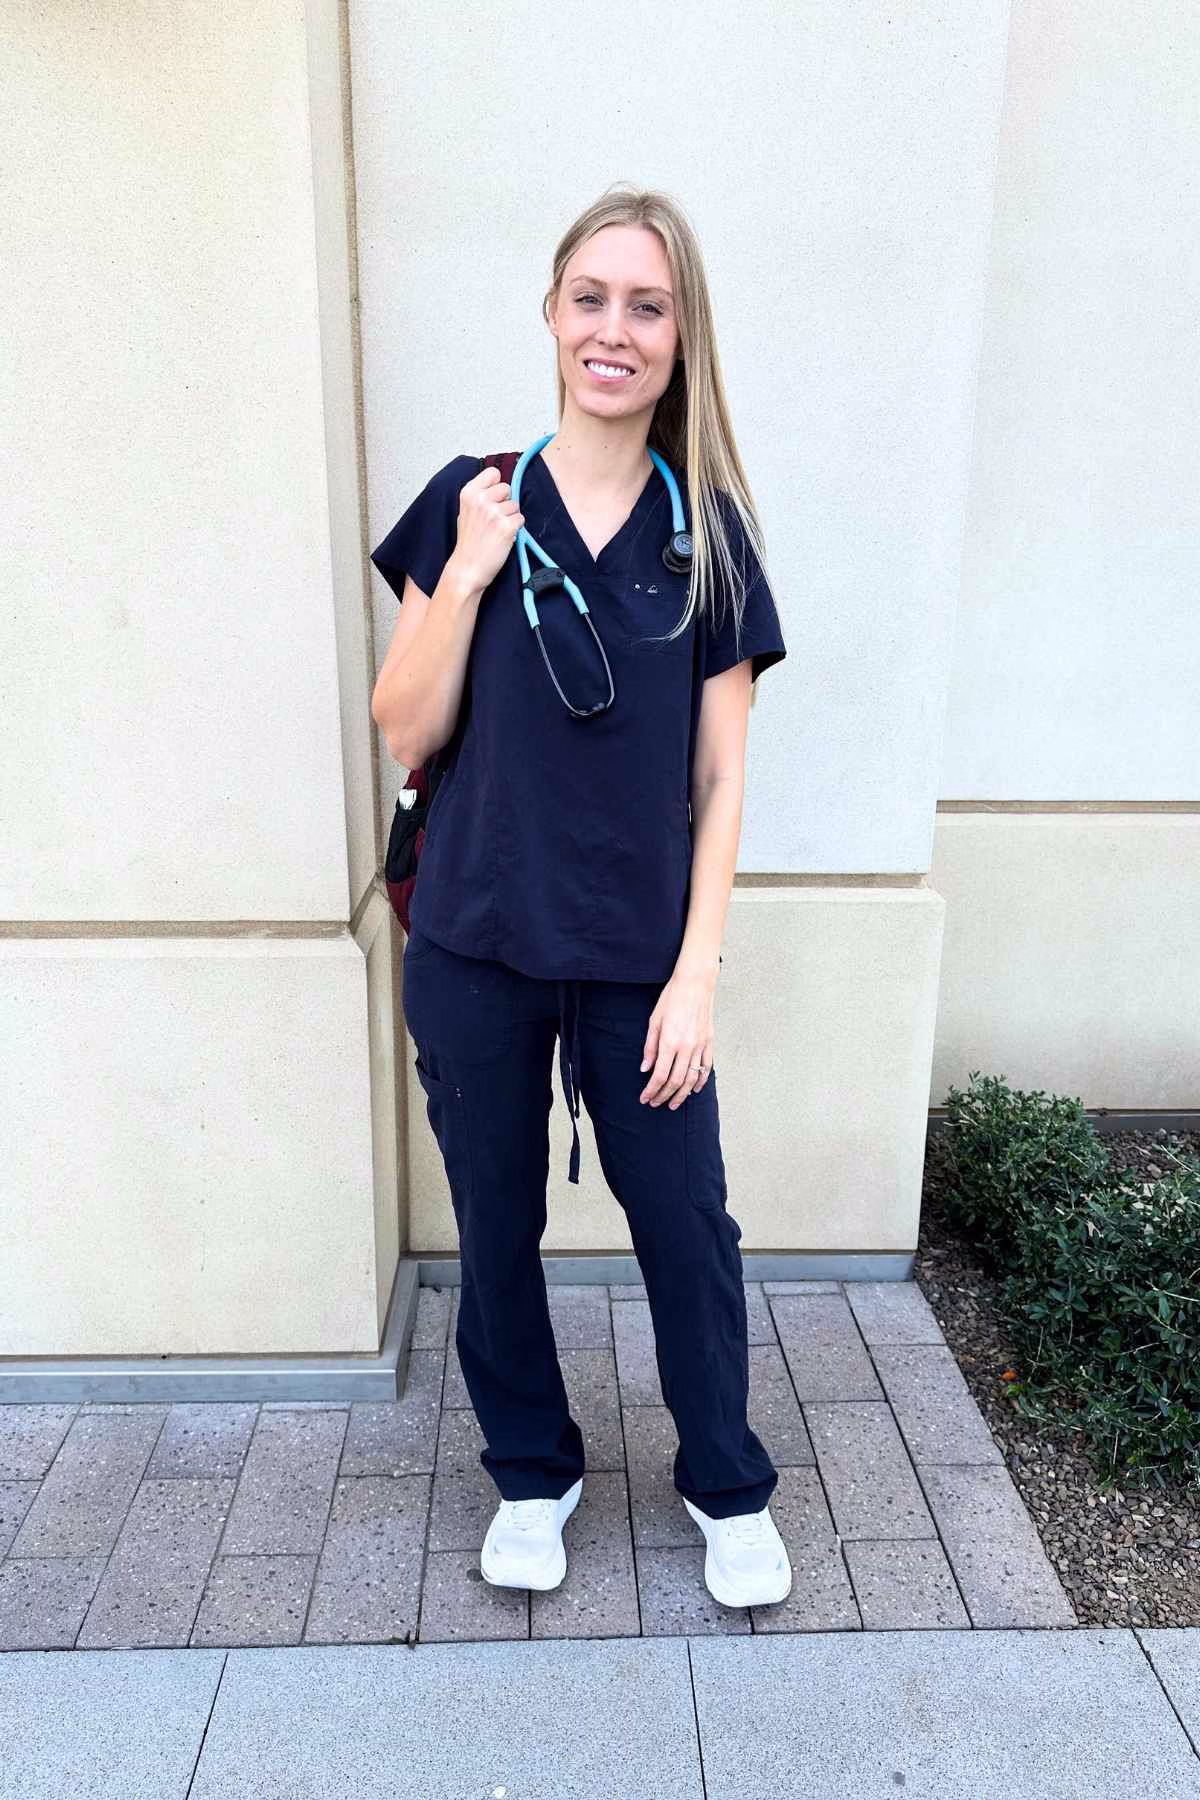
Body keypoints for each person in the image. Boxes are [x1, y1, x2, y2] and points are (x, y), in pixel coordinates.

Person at [369, 185, 792, 1611]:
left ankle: (723, 1481)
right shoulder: (471, 500)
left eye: (648, 306)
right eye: (593, 299)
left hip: (636, 962)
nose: (617, 329)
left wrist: (698, 975)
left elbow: (723, 782)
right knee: (495, 1225)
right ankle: (532, 1473)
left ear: (681, 339)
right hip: (478, 945)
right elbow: (403, 724)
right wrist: (468, 576)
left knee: (688, 1226)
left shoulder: (709, 533)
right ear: (553, 318)